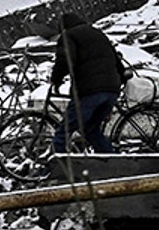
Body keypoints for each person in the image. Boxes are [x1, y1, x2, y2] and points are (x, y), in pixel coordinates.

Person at [48, 12, 124, 154]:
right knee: (90, 129)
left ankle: (58, 164)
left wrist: (55, 79)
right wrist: (120, 81)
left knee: (64, 131)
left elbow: (65, 60)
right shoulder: (98, 33)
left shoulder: (68, 36)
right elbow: (116, 60)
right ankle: (110, 161)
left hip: (90, 91)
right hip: (111, 89)